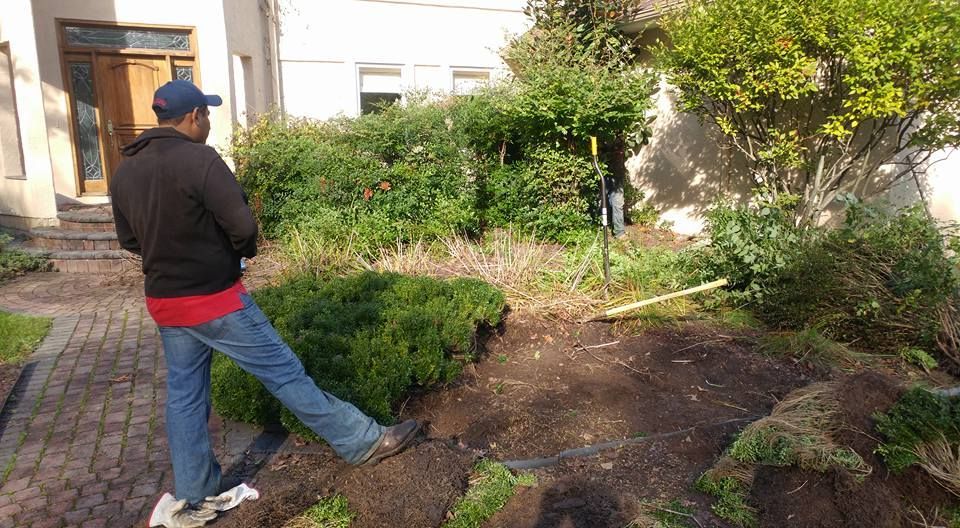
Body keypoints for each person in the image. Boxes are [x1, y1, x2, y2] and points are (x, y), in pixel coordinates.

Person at [110, 80, 420, 526]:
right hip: (215, 301)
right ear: (193, 116)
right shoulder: (200, 160)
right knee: (286, 375)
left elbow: (130, 240)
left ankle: (196, 491)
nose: (210, 122)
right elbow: (242, 225)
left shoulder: (125, 172)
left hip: (165, 302)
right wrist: (235, 256)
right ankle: (363, 442)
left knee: (185, 397)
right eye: (207, 114)